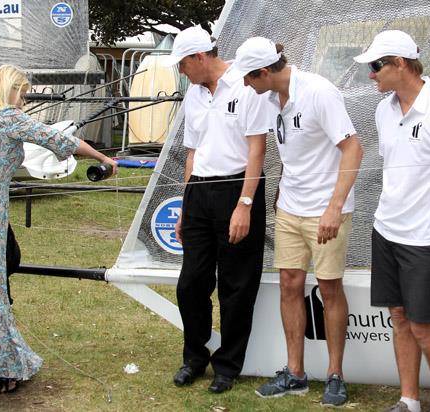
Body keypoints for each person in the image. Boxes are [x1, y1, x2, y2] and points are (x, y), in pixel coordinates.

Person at [0, 64, 118, 394]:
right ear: (8, 91)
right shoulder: (8, 117)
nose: (23, 102)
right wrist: (103, 158)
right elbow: (59, 140)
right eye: (21, 94)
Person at [232, 36, 363, 407]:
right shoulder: (269, 98)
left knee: (329, 288)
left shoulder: (319, 91)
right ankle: (296, 373)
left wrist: (334, 207)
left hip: (326, 208)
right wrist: (278, 197)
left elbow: (353, 147)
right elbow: (292, 155)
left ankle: (335, 375)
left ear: (263, 71)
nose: (245, 84)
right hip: (289, 206)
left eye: (247, 77)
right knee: (290, 283)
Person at [354, 30, 430, 412]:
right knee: (399, 317)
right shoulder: (382, 109)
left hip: (425, 238)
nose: (370, 75)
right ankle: (409, 400)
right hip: (386, 228)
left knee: (423, 326)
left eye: (376, 66)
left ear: (401, 64)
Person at [160, 26, 271, 393]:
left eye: (183, 64)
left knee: (236, 284)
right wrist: (186, 203)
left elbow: (258, 149)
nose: (181, 72)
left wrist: (245, 203)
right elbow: (193, 151)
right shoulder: (193, 95)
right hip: (200, 191)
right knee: (191, 282)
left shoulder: (246, 83)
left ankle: (228, 364)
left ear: (200, 57)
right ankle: (194, 357)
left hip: (237, 186)